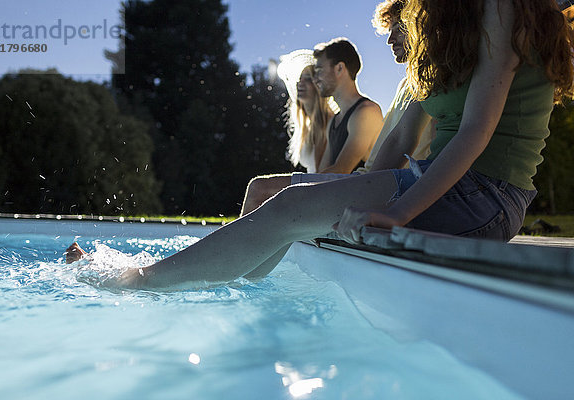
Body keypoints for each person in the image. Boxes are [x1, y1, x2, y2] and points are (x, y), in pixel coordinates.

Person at [104, 0, 572, 290]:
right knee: (285, 202)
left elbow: (476, 132)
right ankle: (221, 281)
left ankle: (142, 282)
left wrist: (397, 211)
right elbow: (397, 148)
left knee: (290, 207)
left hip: (485, 195)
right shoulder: (453, 34)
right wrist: (347, 191)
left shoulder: (502, 6)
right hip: (441, 183)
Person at [241, 38, 384, 215]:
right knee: (262, 190)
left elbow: (342, 170)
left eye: (319, 71)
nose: (316, 79)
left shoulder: (366, 111)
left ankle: (234, 242)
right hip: (337, 195)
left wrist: (290, 191)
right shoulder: (336, 120)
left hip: (356, 200)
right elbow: (322, 172)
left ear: (339, 69)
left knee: (259, 187)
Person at [277, 50, 336, 174]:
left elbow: (320, 174)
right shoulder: (308, 125)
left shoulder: (327, 122)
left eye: (308, 79)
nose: (300, 83)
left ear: (318, 85)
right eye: (300, 78)